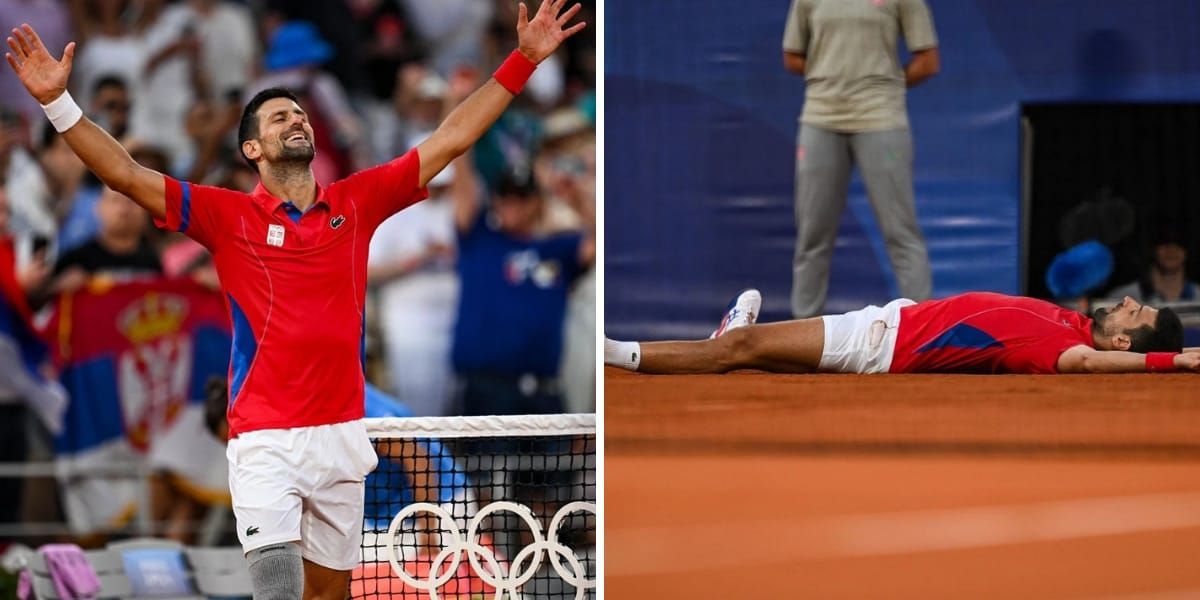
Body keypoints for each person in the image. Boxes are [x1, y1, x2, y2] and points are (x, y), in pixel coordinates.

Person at [5, 1, 584, 596]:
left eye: (300, 114)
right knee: (278, 590)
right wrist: (57, 102)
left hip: (341, 435)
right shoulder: (223, 214)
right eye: (279, 117)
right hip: (264, 438)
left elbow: (450, 139)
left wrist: (524, 60)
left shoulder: (359, 200)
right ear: (252, 150)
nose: (296, 120)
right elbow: (126, 175)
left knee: (330, 594)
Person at [606, 288, 1200, 375]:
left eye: (1133, 314)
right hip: (899, 319)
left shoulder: (1071, 350)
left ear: (1123, 342)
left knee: (738, 350)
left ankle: (614, 353)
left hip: (882, 341)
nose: (1126, 303)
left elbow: (1092, 367)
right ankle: (735, 337)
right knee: (760, 357)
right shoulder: (1071, 318)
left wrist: (1174, 363)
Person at [782, 0, 939, 318]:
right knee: (812, 236)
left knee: (901, 232)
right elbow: (792, 56)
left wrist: (883, 85)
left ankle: (924, 331)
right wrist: (832, 75)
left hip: (881, 119)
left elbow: (928, 61)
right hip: (820, 118)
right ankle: (804, 331)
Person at [451, 164, 595, 417]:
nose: (512, 203)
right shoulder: (478, 239)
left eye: (521, 197)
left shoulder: (558, 249)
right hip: (486, 390)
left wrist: (578, 198)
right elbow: (462, 181)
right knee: (488, 459)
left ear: (537, 202)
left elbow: (602, 241)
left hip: (544, 392)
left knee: (559, 459)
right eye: (505, 195)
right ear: (494, 200)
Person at [1109, 227, 1198, 304]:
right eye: (1164, 243)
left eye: (1179, 244)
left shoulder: (1198, 296)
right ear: (1152, 250)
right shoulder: (1122, 298)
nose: (1171, 250)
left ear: (1187, 252)